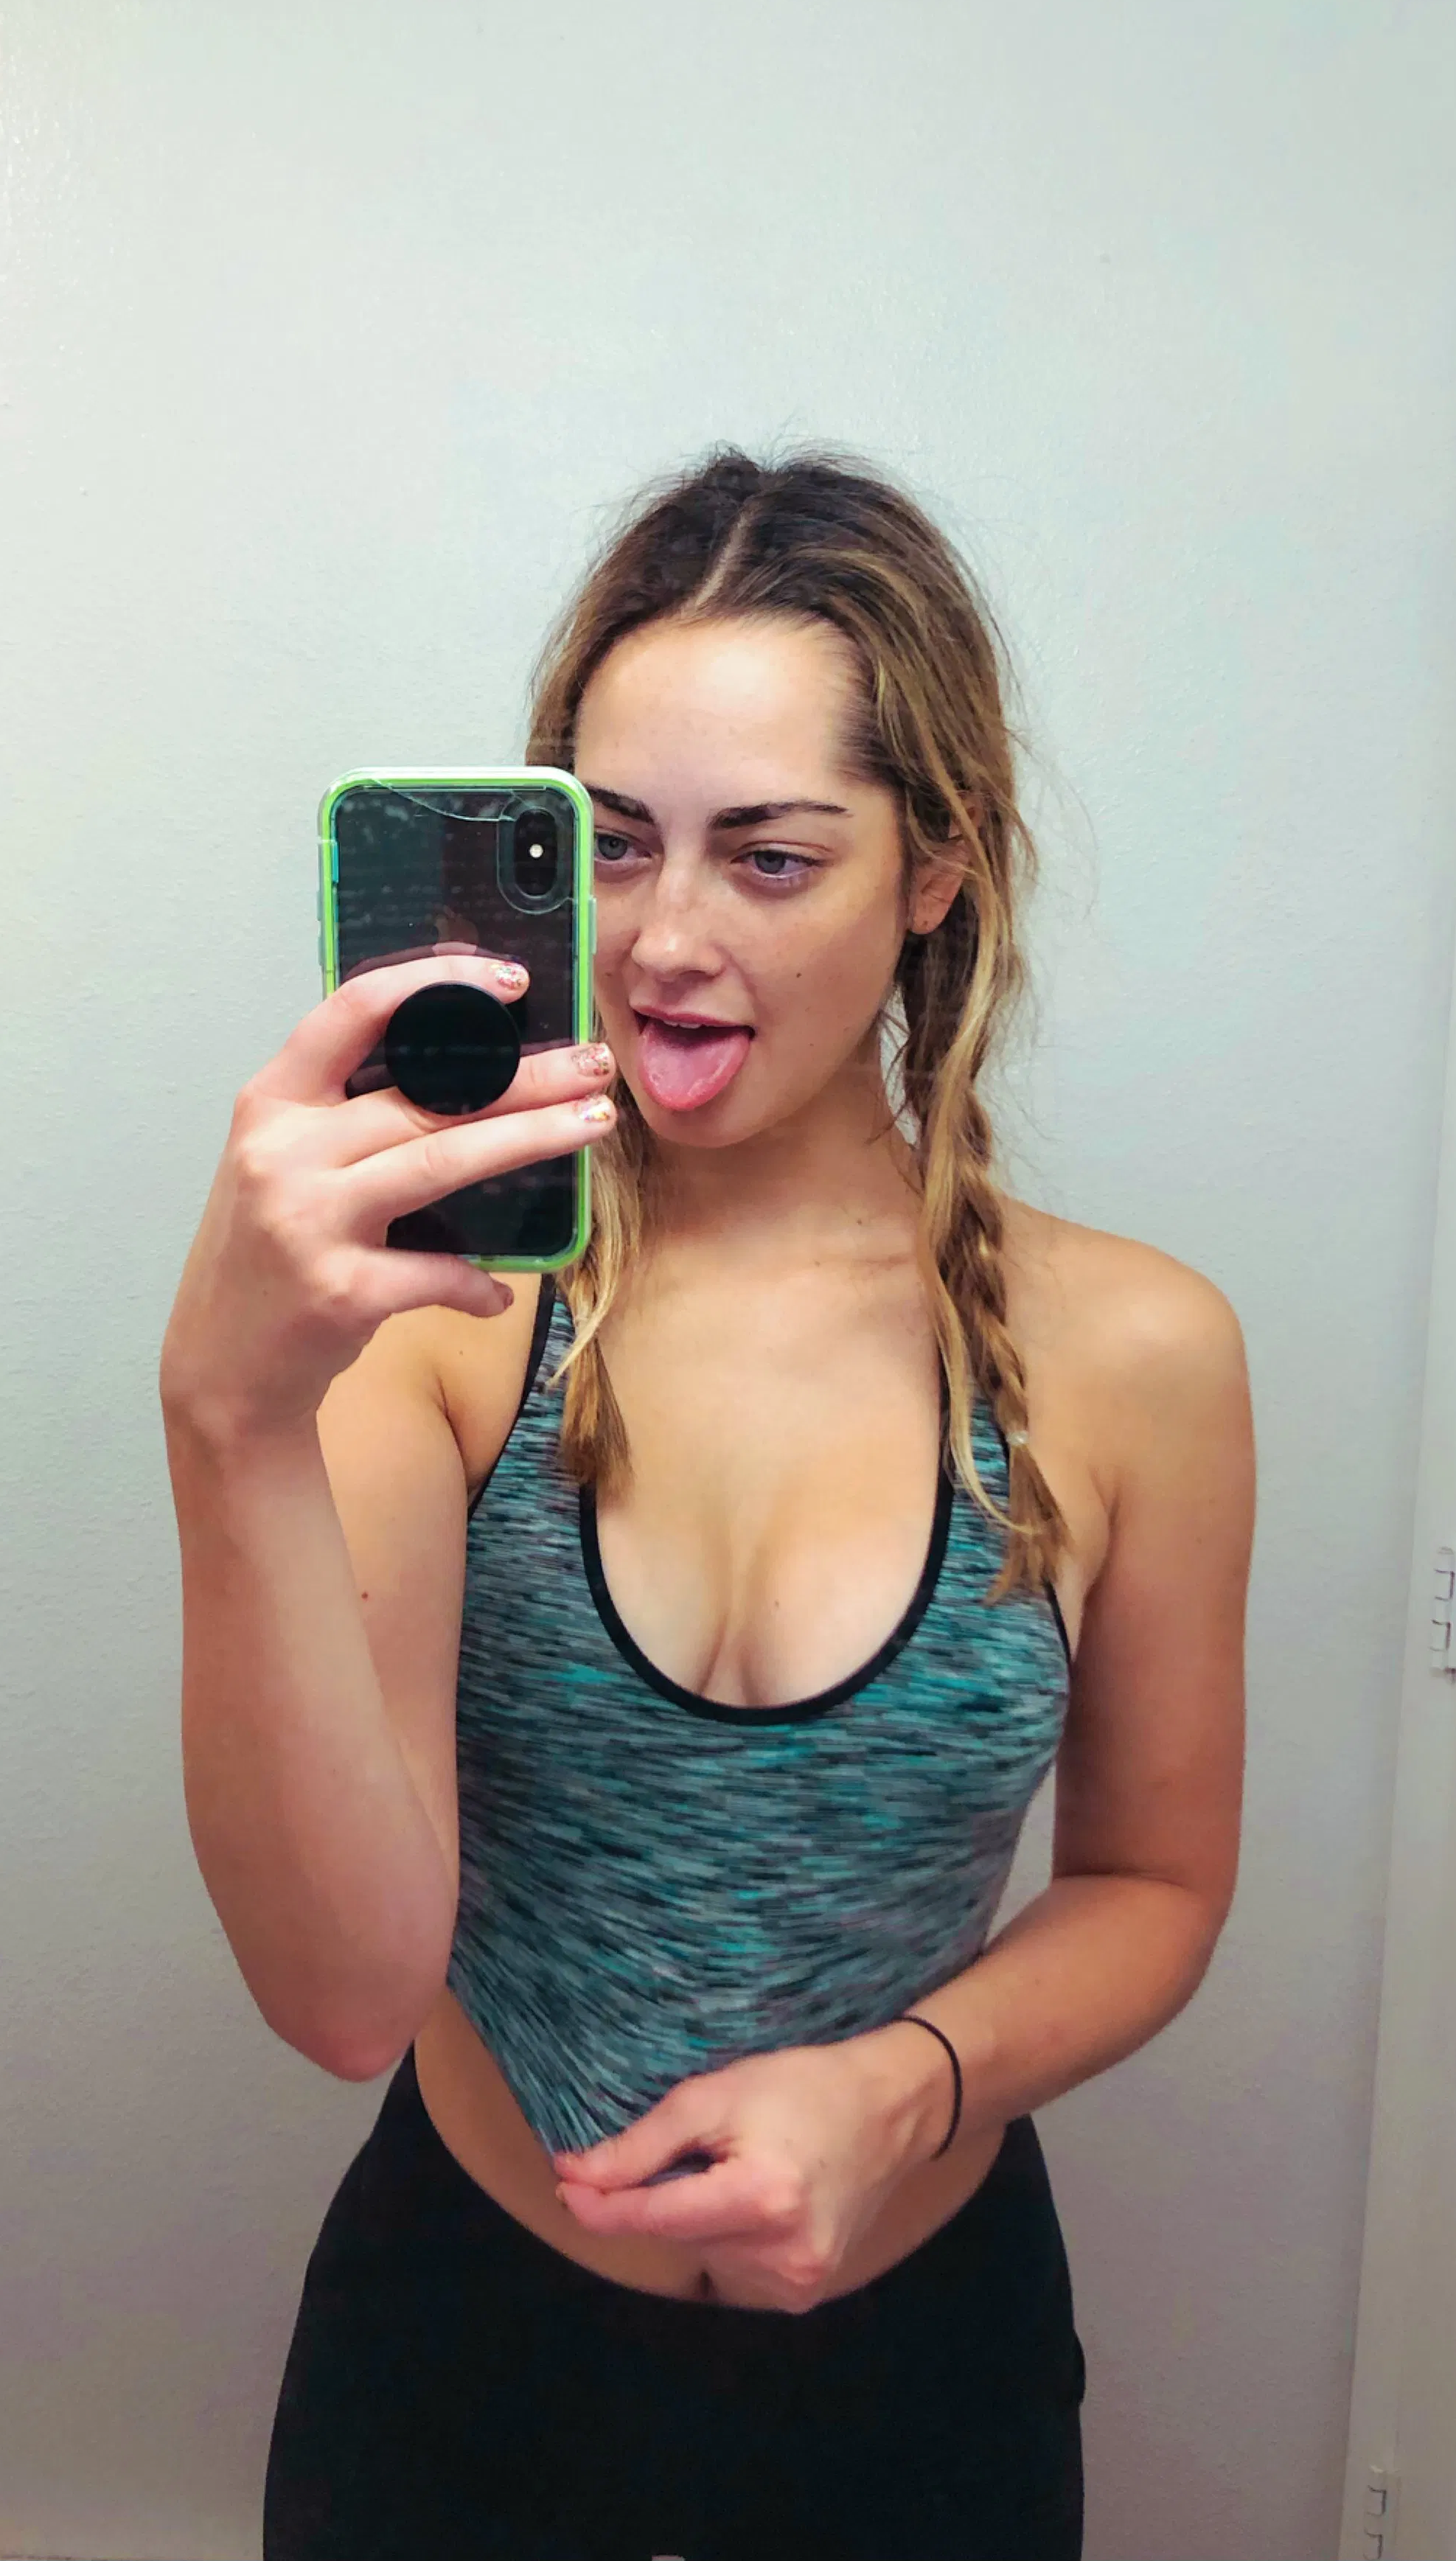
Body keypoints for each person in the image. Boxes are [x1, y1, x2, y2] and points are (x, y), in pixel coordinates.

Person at [159, 447, 1253, 2561]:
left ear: (934, 867)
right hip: (463, 2362)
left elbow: (1157, 1882)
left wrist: (907, 2081)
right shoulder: (448, 1322)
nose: (665, 941)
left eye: (771, 857)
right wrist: (227, 1419)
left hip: (927, 2381)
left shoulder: (1134, 1355)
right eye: (612, 844)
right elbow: (342, 1994)